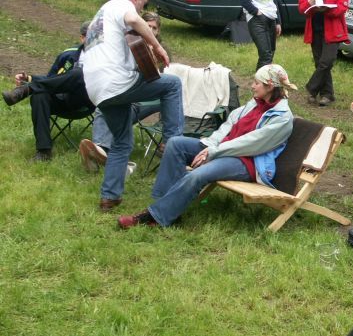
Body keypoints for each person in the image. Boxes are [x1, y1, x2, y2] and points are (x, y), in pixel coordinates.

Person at [118, 64, 296, 228]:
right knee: (175, 144)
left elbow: (250, 144)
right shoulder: (255, 103)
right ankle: (165, 206)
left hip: (247, 161)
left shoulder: (282, 118)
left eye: (257, 83)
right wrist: (210, 144)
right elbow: (228, 126)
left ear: (269, 86)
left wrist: (213, 152)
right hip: (223, 150)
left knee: (198, 174)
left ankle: (153, 215)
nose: (252, 86)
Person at [80, 0, 183, 211]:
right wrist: (157, 47)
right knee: (173, 84)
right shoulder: (121, 5)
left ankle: (109, 197)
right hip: (116, 82)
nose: (141, 9)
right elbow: (135, 20)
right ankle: (172, 143)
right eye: (142, 4)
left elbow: (125, 47)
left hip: (97, 90)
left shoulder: (101, 15)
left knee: (121, 142)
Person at [80, 11, 164, 171]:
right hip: (128, 93)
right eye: (147, 26)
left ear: (158, 31)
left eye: (154, 28)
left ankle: (165, 142)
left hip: (148, 99)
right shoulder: (130, 43)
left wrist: (152, 57)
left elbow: (162, 76)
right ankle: (99, 150)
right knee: (103, 107)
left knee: (171, 91)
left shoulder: (161, 49)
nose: (151, 30)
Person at [2, 20, 93, 161]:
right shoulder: (68, 55)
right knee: (39, 95)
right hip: (63, 100)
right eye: (91, 36)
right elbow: (51, 79)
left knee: (78, 73)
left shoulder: (108, 57)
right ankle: (43, 151)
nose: (95, 39)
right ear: (82, 38)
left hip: (88, 101)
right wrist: (30, 78)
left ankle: (28, 89)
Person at [298, 0, 349, 107]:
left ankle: (311, 89)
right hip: (315, 29)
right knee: (319, 62)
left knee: (326, 62)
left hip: (333, 30)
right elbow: (301, 8)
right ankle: (327, 94)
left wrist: (326, 9)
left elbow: (342, 7)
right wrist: (309, 5)